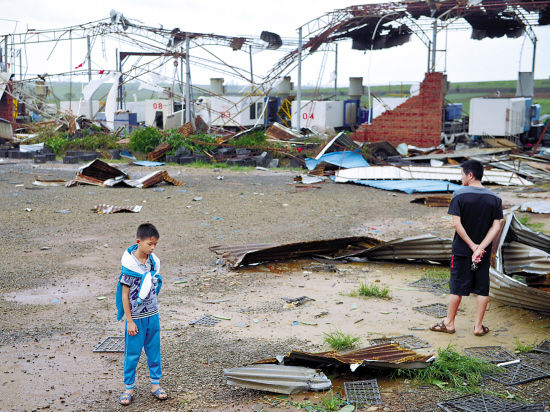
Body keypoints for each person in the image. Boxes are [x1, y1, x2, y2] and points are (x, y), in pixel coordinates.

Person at [430, 160, 503, 336]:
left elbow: (456, 224)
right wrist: (480, 248)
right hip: (483, 254)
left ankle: (449, 323)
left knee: (456, 288)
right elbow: (497, 226)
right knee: (482, 289)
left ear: (470, 175)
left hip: (462, 250)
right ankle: (478, 327)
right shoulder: (495, 198)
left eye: (462, 174)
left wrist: (471, 246)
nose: (461, 178)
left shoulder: (459, 195)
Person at [115, 223, 167, 405]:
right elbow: (124, 295)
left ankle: (155, 385)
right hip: (136, 319)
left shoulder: (153, 262)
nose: (152, 248)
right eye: (149, 244)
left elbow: (155, 282)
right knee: (132, 354)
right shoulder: (129, 266)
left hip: (153, 316)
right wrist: (129, 321)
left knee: (154, 351)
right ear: (139, 242)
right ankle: (129, 388)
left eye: (155, 245)